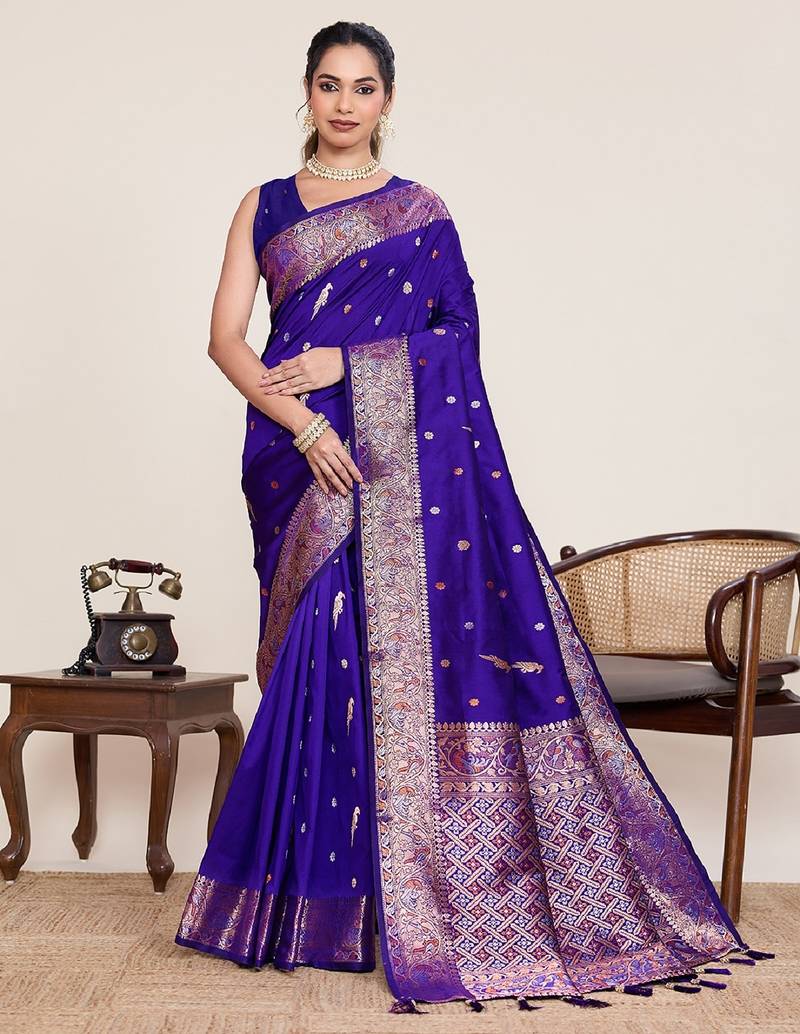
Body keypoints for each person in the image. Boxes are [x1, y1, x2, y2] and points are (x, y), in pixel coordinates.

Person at [176, 19, 772, 1013]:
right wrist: (303, 423)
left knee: (376, 669)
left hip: (390, 462)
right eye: (329, 84)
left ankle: (390, 904)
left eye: (363, 87)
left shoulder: (420, 211)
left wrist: (344, 367)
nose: (344, 104)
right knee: (317, 663)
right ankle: (305, 906)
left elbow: (458, 336)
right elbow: (224, 339)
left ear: (387, 100)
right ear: (307, 92)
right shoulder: (263, 202)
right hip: (295, 456)